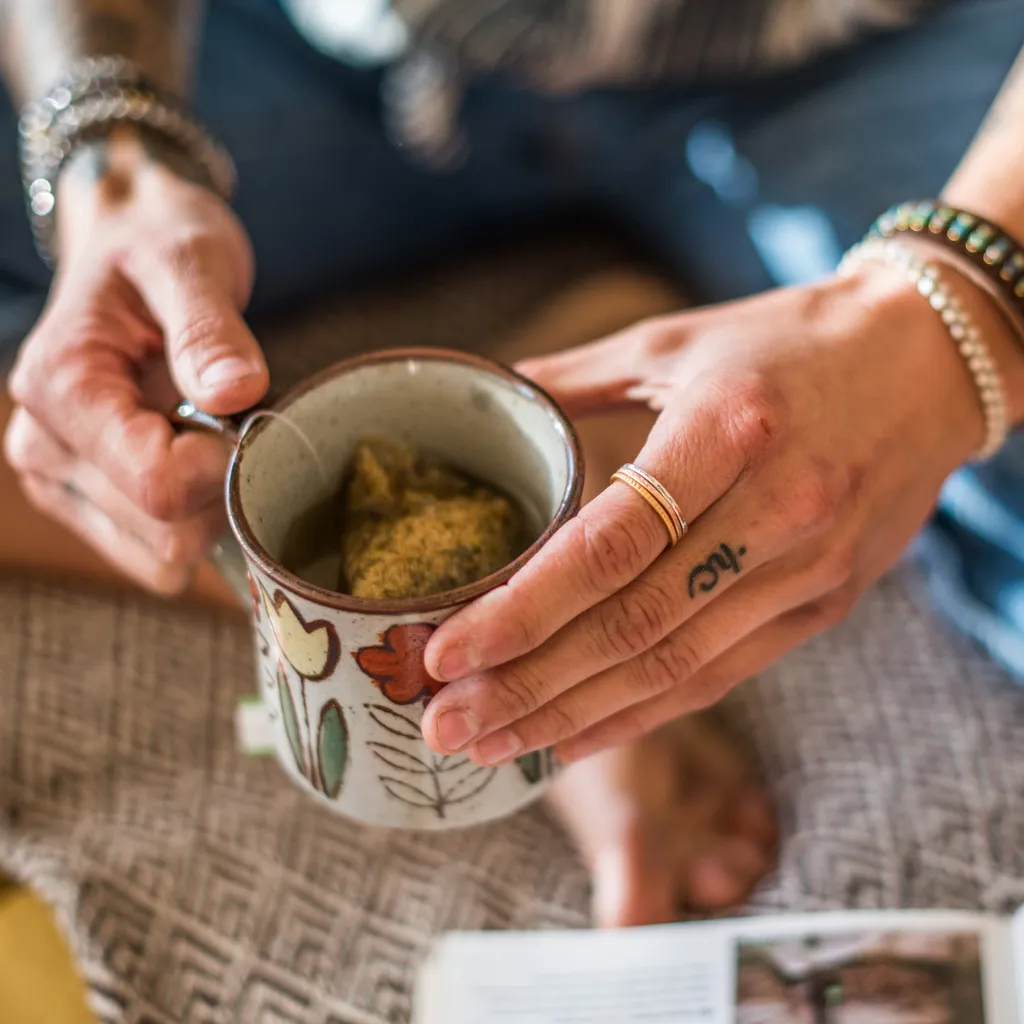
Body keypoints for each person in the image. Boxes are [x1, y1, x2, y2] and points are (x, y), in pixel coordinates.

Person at [1, 0, 1023, 930]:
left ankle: (523, 645)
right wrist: (109, 154)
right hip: (336, 43)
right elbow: (99, 139)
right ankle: (519, 669)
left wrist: (959, 297)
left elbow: (960, 307)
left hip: (853, 47)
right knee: (64, 389)